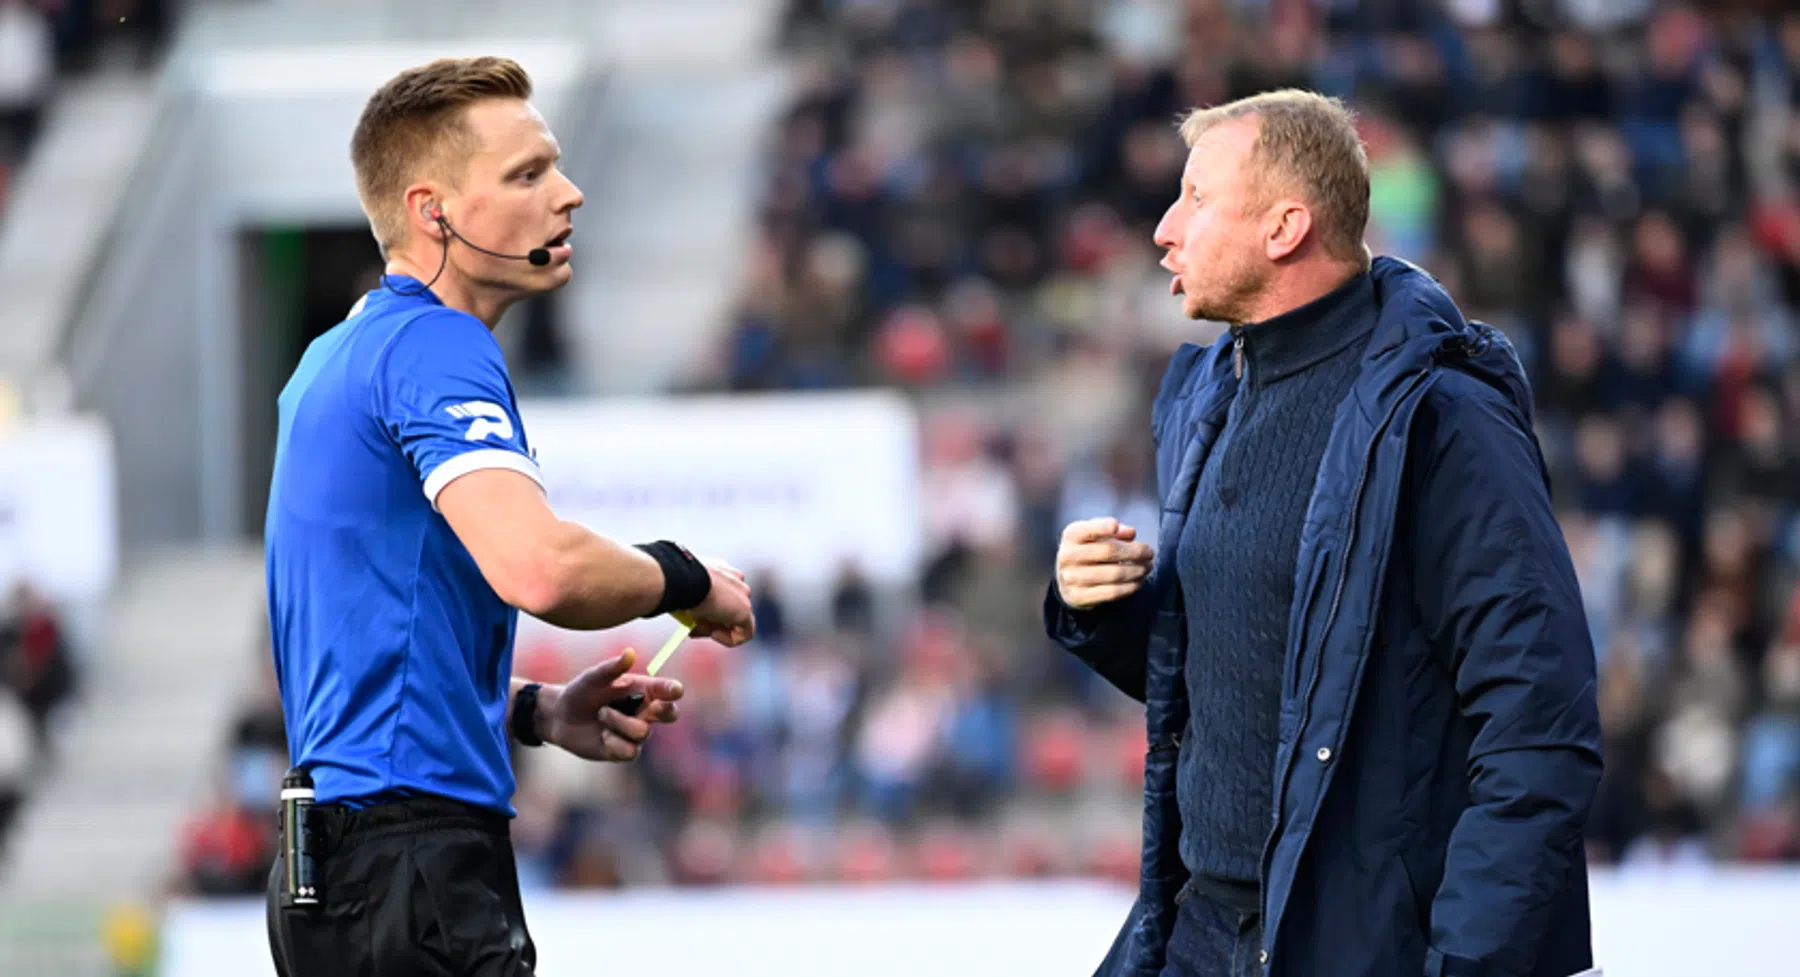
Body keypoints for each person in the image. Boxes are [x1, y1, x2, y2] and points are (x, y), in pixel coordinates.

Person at [1044, 89, 1603, 977]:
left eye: (1196, 198)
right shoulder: (1204, 398)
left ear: (1285, 228)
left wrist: (1470, 963)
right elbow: (1249, 677)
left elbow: (1538, 724)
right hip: (1198, 928)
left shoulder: (1444, 420)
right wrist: (1098, 607)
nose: (1163, 229)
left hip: (1361, 946)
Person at [263, 56, 756, 977]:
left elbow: (371, 650)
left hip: (332, 876)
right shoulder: (436, 344)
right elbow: (541, 569)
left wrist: (535, 710)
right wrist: (686, 578)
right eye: (527, 174)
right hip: (414, 868)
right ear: (433, 211)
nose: (568, 194)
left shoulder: (331, 359)